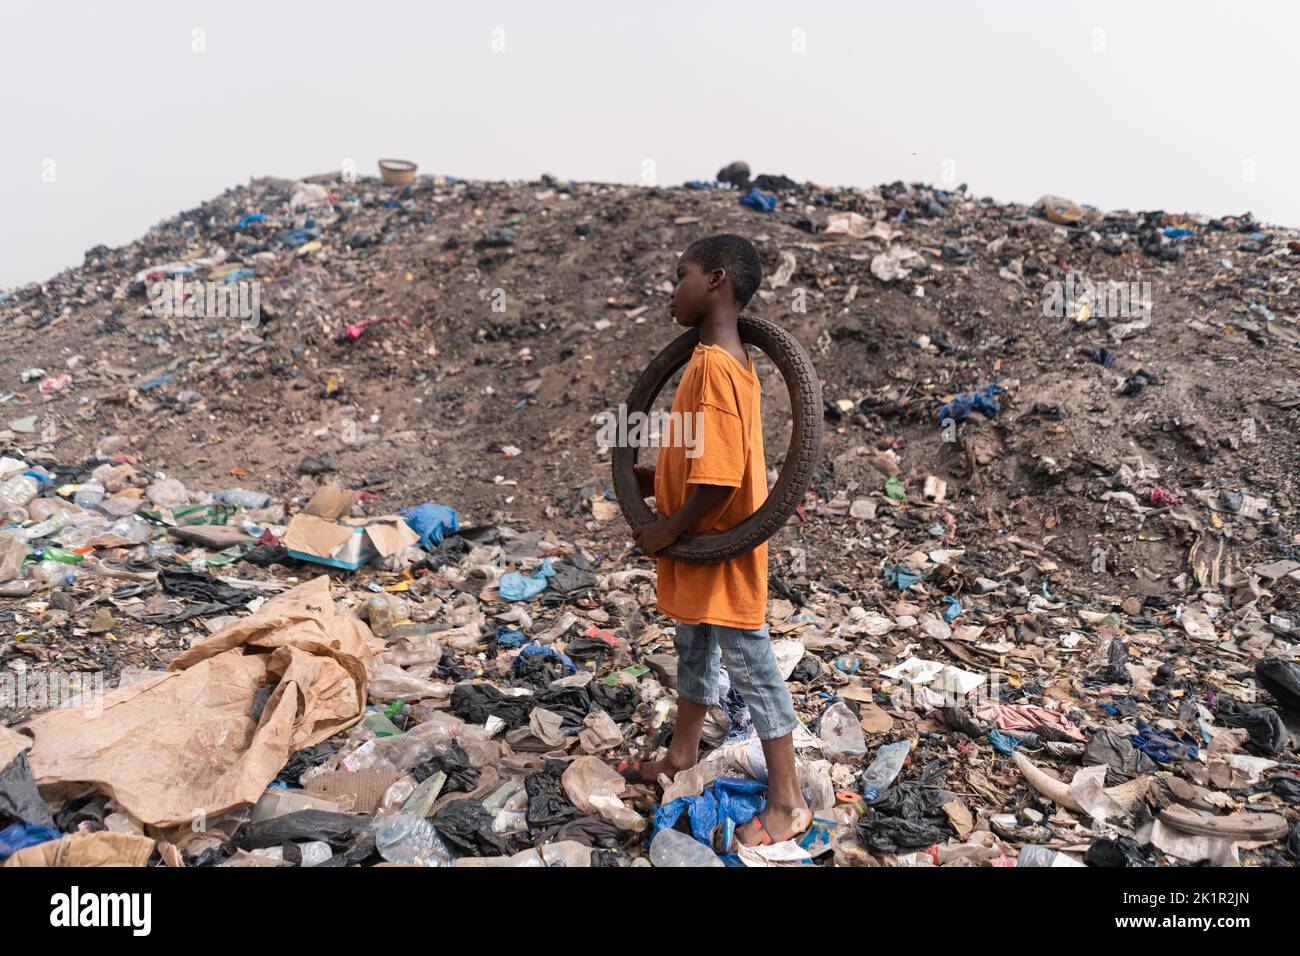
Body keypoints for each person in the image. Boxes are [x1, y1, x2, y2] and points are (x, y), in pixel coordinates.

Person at [624, 233, 812, 847]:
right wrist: (656, 479)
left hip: (717, 546)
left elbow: (721, 476)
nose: (671, 291)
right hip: (705, 544)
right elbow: (704, 460)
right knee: (694, 650)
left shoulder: (709, 368)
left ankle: (787, 802)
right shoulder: (731, 362)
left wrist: (666, 529)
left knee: (752, 667)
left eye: (681, 275)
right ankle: (682, 757)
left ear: (717, 280)